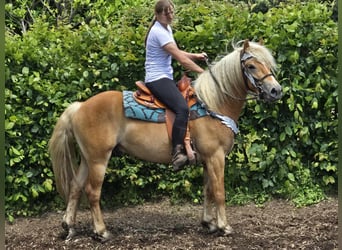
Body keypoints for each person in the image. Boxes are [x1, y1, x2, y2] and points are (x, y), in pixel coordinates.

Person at [144, 0, 207, 171]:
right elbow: (180, 58)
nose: (170, 16)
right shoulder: (158, 31)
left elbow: (177, 52)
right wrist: (204, 74)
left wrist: (196, 56)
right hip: (157, 78)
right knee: (182, 108)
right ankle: (177, 152)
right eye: (166, 13)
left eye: (171, 12)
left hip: (165, 77)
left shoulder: (166, 28)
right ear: (157, 15)